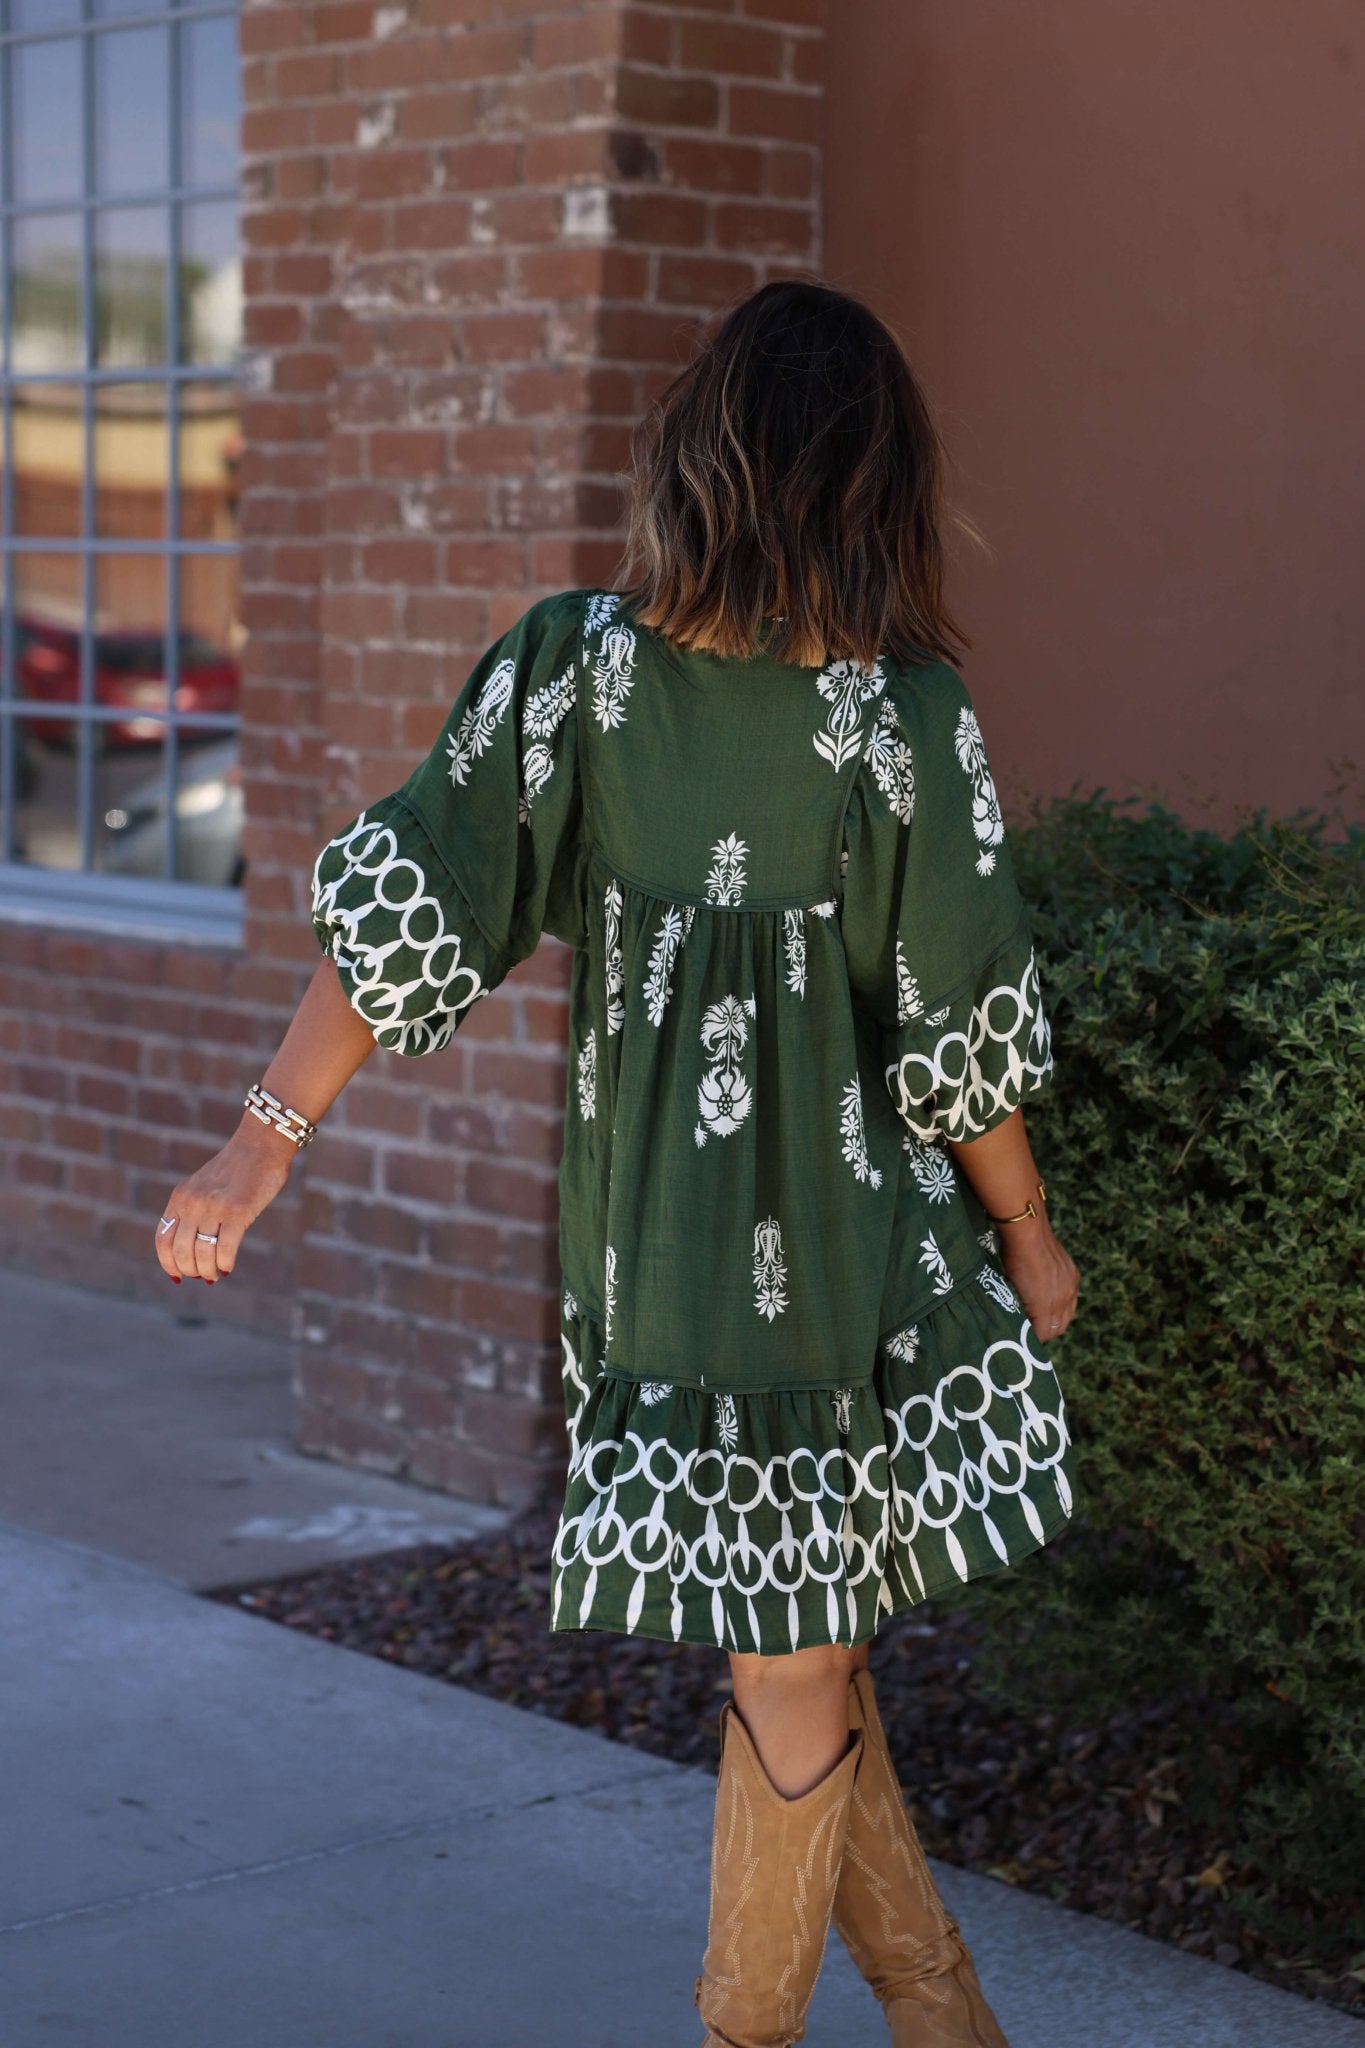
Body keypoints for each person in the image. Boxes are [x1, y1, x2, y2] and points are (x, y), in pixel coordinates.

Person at [154, 277, 1081, 2048]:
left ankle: (946, 2021)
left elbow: (416, 907)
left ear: (697, 458)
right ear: (876, 482)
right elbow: (959, 1027)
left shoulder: (569, 667)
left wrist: (258, 1142)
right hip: (850, 1267)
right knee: (797, 1652)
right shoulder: (905, 717)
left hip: (657, 1255)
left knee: (803, 1651)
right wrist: (1027, 1234)